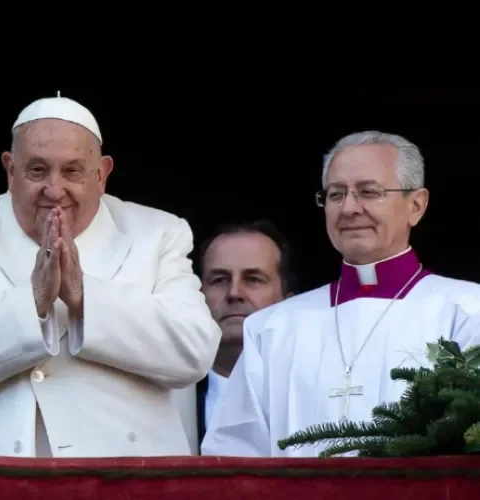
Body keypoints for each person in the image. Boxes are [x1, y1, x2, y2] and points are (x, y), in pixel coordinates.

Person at [0, 93, 221, 458]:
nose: (54, 190)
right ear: (10, 169)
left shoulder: (158, 233)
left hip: (131, 475)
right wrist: (32, 303)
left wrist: (85, 297)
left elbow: (195, 351)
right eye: (37, 170)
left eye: (72, 171)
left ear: (102, 174)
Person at [201, 131, 480, 457]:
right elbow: (234, 456)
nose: (349, 208)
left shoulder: (467, 311)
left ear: (416, 205)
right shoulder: (271, 328)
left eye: (368, 192)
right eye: (335, 194)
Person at [195, 220, 297, 449]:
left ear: (289, 304)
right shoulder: (165, 397)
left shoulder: (307, 394)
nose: (234, 293)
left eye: (253, 279)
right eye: (219, 280)